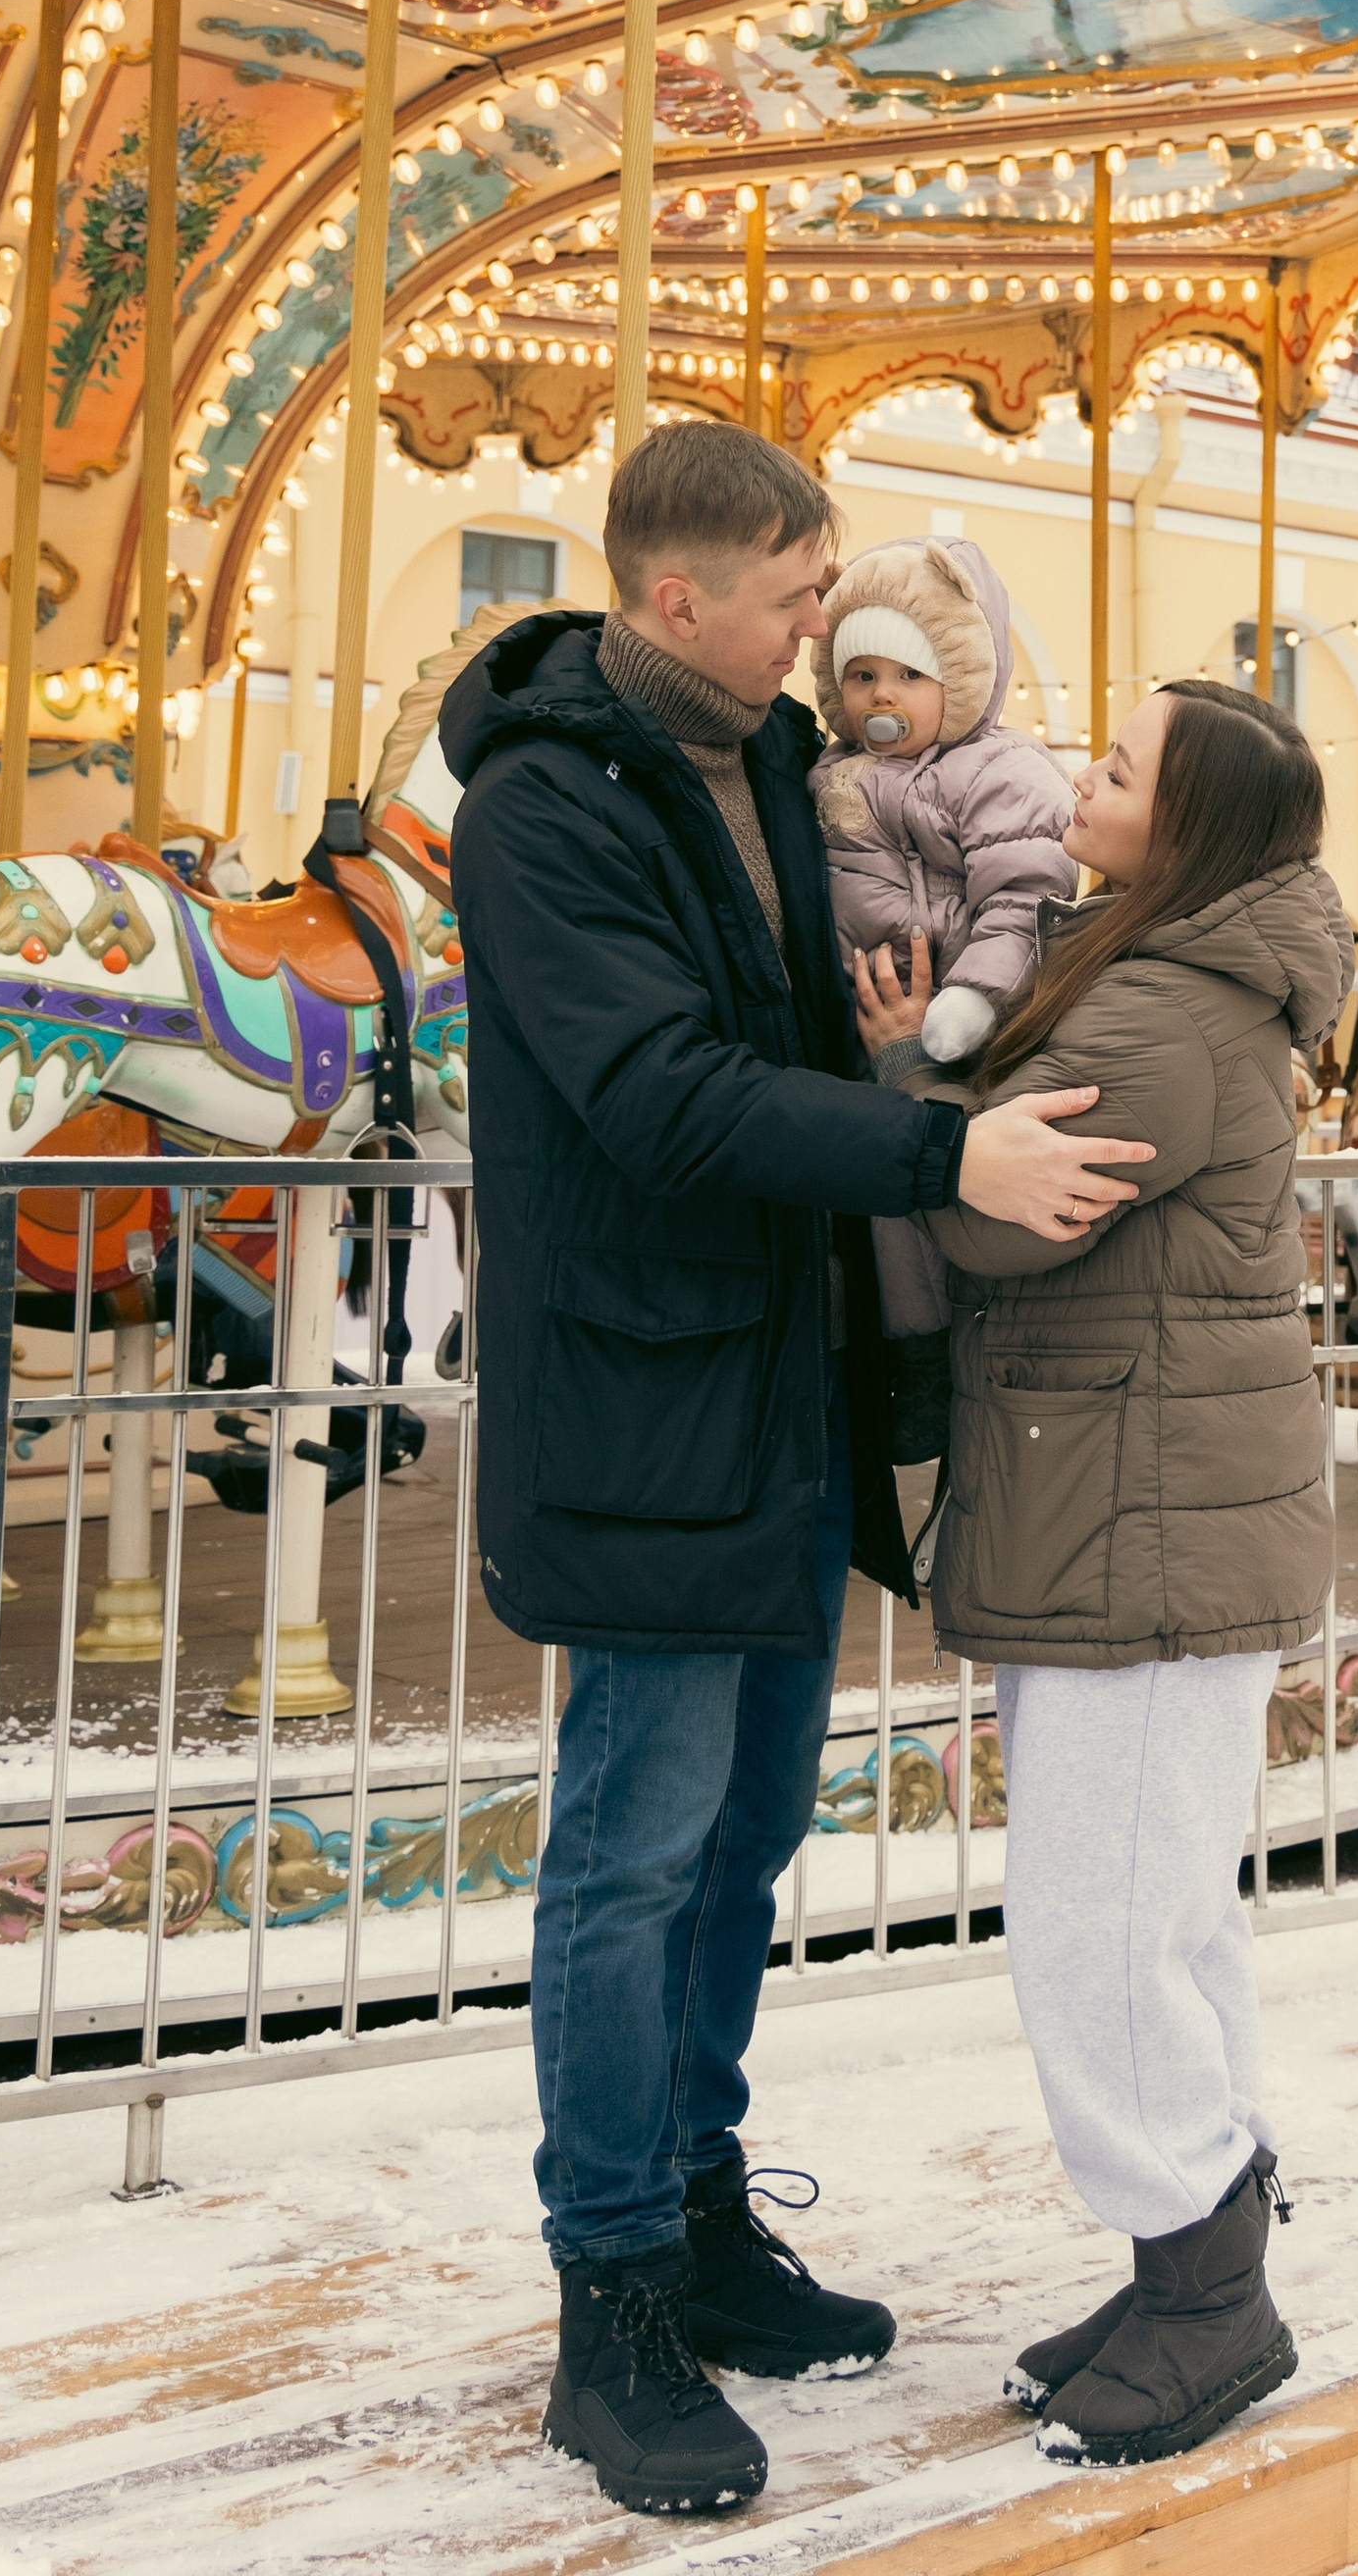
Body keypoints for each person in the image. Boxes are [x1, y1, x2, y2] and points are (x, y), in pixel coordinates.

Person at [443, 422, 1156, 2522]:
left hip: (771, 1378)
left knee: (742, 1838)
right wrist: (940, 1152)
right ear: (678, 599)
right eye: (787, 593)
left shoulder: (758, 763)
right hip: (647, 1391)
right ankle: (611, 2297)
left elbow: (773, 1040)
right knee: (630, 1852)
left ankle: (699, 2207)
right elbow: (661, 1095)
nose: (818, 627)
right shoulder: (546, 812)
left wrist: (894, 1037)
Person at [854, 677, 1356, 2468]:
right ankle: (1184, 2259)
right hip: (1126, 1495)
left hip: (1137, 1510)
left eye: (1123, 770)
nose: (1084, 778)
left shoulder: (1157, 1010)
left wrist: (912, 1093)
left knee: (1095, 1926)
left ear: (1192, 827)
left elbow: (997, 1213)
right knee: (1157, 1907)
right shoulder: (1148, 970)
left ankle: (1211, 2296)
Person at [808, 535, 1077, 1448]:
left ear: (958, 680)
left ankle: (973, 1363)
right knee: (888, 1213)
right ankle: (911, 1371)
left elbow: (1027, 896)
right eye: (863, 674)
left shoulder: (997, 769)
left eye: (910, 674)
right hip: (869, 1027)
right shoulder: (822, 776)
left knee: (955, 1196)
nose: (882, 695)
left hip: (973, 1022)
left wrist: (971, 999)